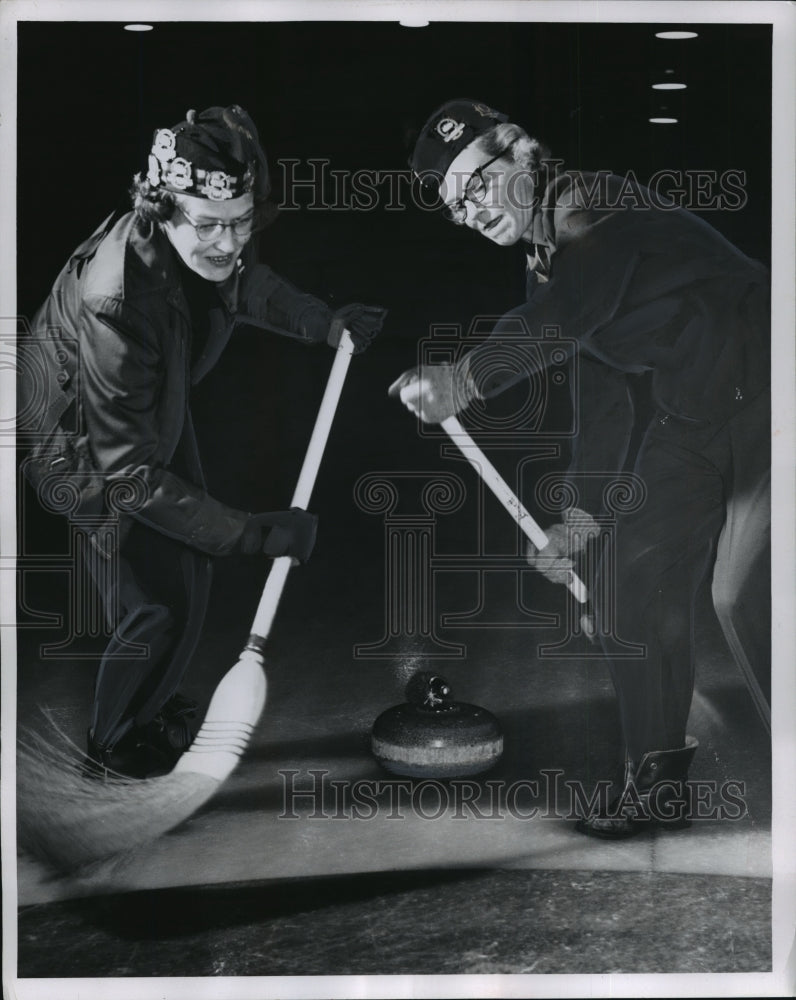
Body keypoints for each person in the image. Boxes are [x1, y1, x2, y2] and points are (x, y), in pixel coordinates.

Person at [389, 99, 770, 838]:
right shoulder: (546, 264)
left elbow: (568, 315)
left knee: (743, 597)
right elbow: (601, 397)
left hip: (775, 396)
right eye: (454, 206)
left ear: (521, 151)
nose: (470, 212)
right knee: (624, 590)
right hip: (693, 418)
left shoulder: (592, 205)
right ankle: (657, 787)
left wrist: (465, 379)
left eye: (476, 184)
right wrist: (579, 518)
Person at [19, 104, 386, 777]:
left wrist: (323, 323)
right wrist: (254, 533)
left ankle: (147, 706)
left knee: (188, 570)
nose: (229, 242)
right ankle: (113, 749)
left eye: (242, 222)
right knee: (158, 598)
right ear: (160, 209)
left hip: (140, 407)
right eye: (211, 225)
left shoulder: (214, 236)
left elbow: (247, 285)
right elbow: (128, 475)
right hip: (75, 441)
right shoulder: (116, 299)